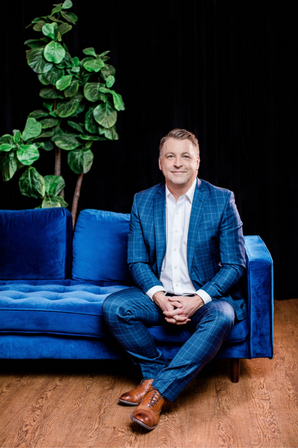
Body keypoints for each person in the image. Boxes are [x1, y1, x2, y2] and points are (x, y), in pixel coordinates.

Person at [103, 128, 247, 431]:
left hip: (206, 298)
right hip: (160, 297)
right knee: (115, 307)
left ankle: (157, 394)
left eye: (185, 156)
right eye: (171, 155)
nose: (178, 162)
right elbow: (137, 261)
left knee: (223, 317)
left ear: (197, 162)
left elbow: (235, 264)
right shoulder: (143, 201)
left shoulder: (221, 200)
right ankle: (154, 372)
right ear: (160, 162)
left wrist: (198, 300)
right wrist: (159, 297)